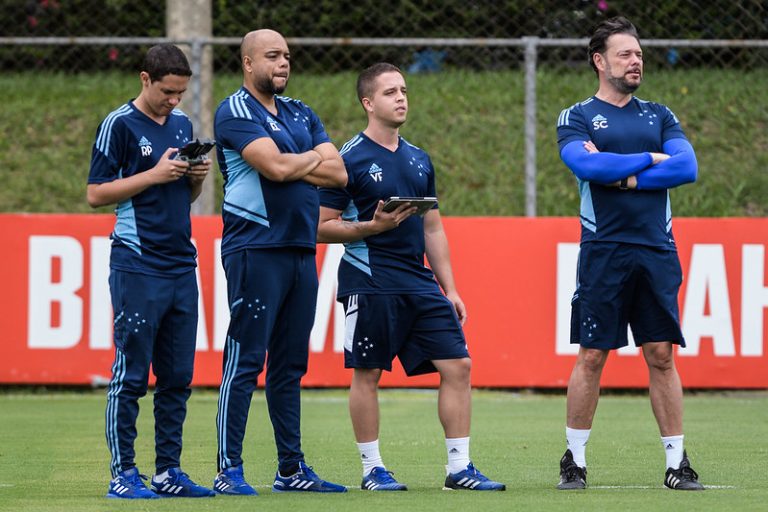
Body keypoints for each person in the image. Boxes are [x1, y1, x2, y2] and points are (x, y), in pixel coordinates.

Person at [317, 62, 505, 492]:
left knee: (458, 365)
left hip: (419, 283)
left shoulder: (419, 158)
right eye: (389, 92)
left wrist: (450, 288)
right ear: (368, 103)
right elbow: (320, 227)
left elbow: (433, 227)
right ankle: (372, 469)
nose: (401, 98)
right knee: (367, 373)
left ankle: (459, 469)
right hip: (369, 280)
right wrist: (370, 228)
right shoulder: (347, 160)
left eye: (403, 90)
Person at [555, 17, 703, 491]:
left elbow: (688, 167)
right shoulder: (576, 116)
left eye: (638, 53)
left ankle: (677, 463)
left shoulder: (659, 115)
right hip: (604, 249)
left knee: (661, 354)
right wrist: (650, 160)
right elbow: (584, 163)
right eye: (625, 53)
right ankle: (574, 461)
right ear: (600, 61)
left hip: (657, 249)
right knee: (594, 354)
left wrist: (626, 175)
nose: (635, 60)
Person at [211, 29, 348, 495]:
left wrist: (296, 160)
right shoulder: (234, 110)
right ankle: (228, 469)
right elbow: (274, 168)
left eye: (287, 56)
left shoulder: (300, 111)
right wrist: (309, 158)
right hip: (254, 248)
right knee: (246, 359)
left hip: (299, 250)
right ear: (249, 64)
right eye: (273, 56)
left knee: (290, 365)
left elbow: (340, 171)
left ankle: (290, 469)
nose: (284, 63)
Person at [87, 44, 214, 499]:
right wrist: (153, 175)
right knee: (132, 374)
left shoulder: (181, 124)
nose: (175, 101)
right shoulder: (118, 124)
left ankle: (168, 472)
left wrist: (195, 174)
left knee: (178, 376)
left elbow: (186, 193)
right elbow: (96, 194)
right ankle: (123, 473)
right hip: (137, 263)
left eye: (181, 92)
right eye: (167, 92)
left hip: (182, 262)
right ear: (145, 79)